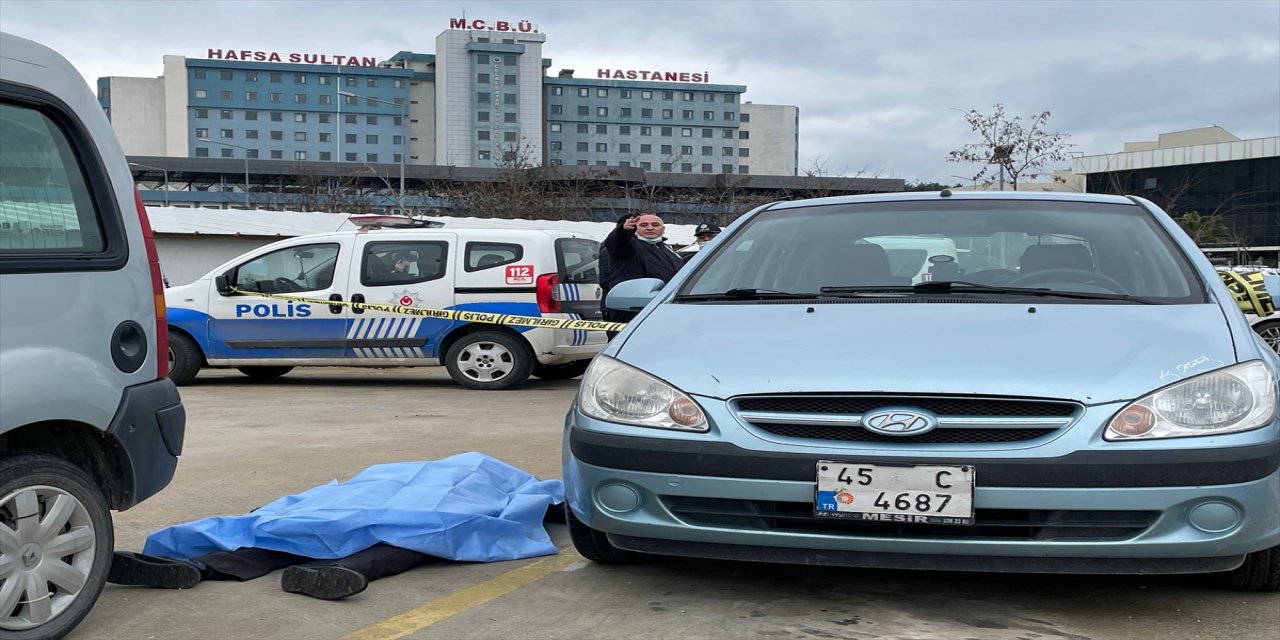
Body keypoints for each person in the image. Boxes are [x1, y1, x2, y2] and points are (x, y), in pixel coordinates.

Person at [600, 213, 685, 333]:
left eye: (655, 225)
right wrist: (623, 231)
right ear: (635, 228)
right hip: (633, 311)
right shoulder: (629, 245)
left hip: (664, 310)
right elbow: (616, 243)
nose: (650, 228)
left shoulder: (667, 249)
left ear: (663, 228)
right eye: (644, 225)